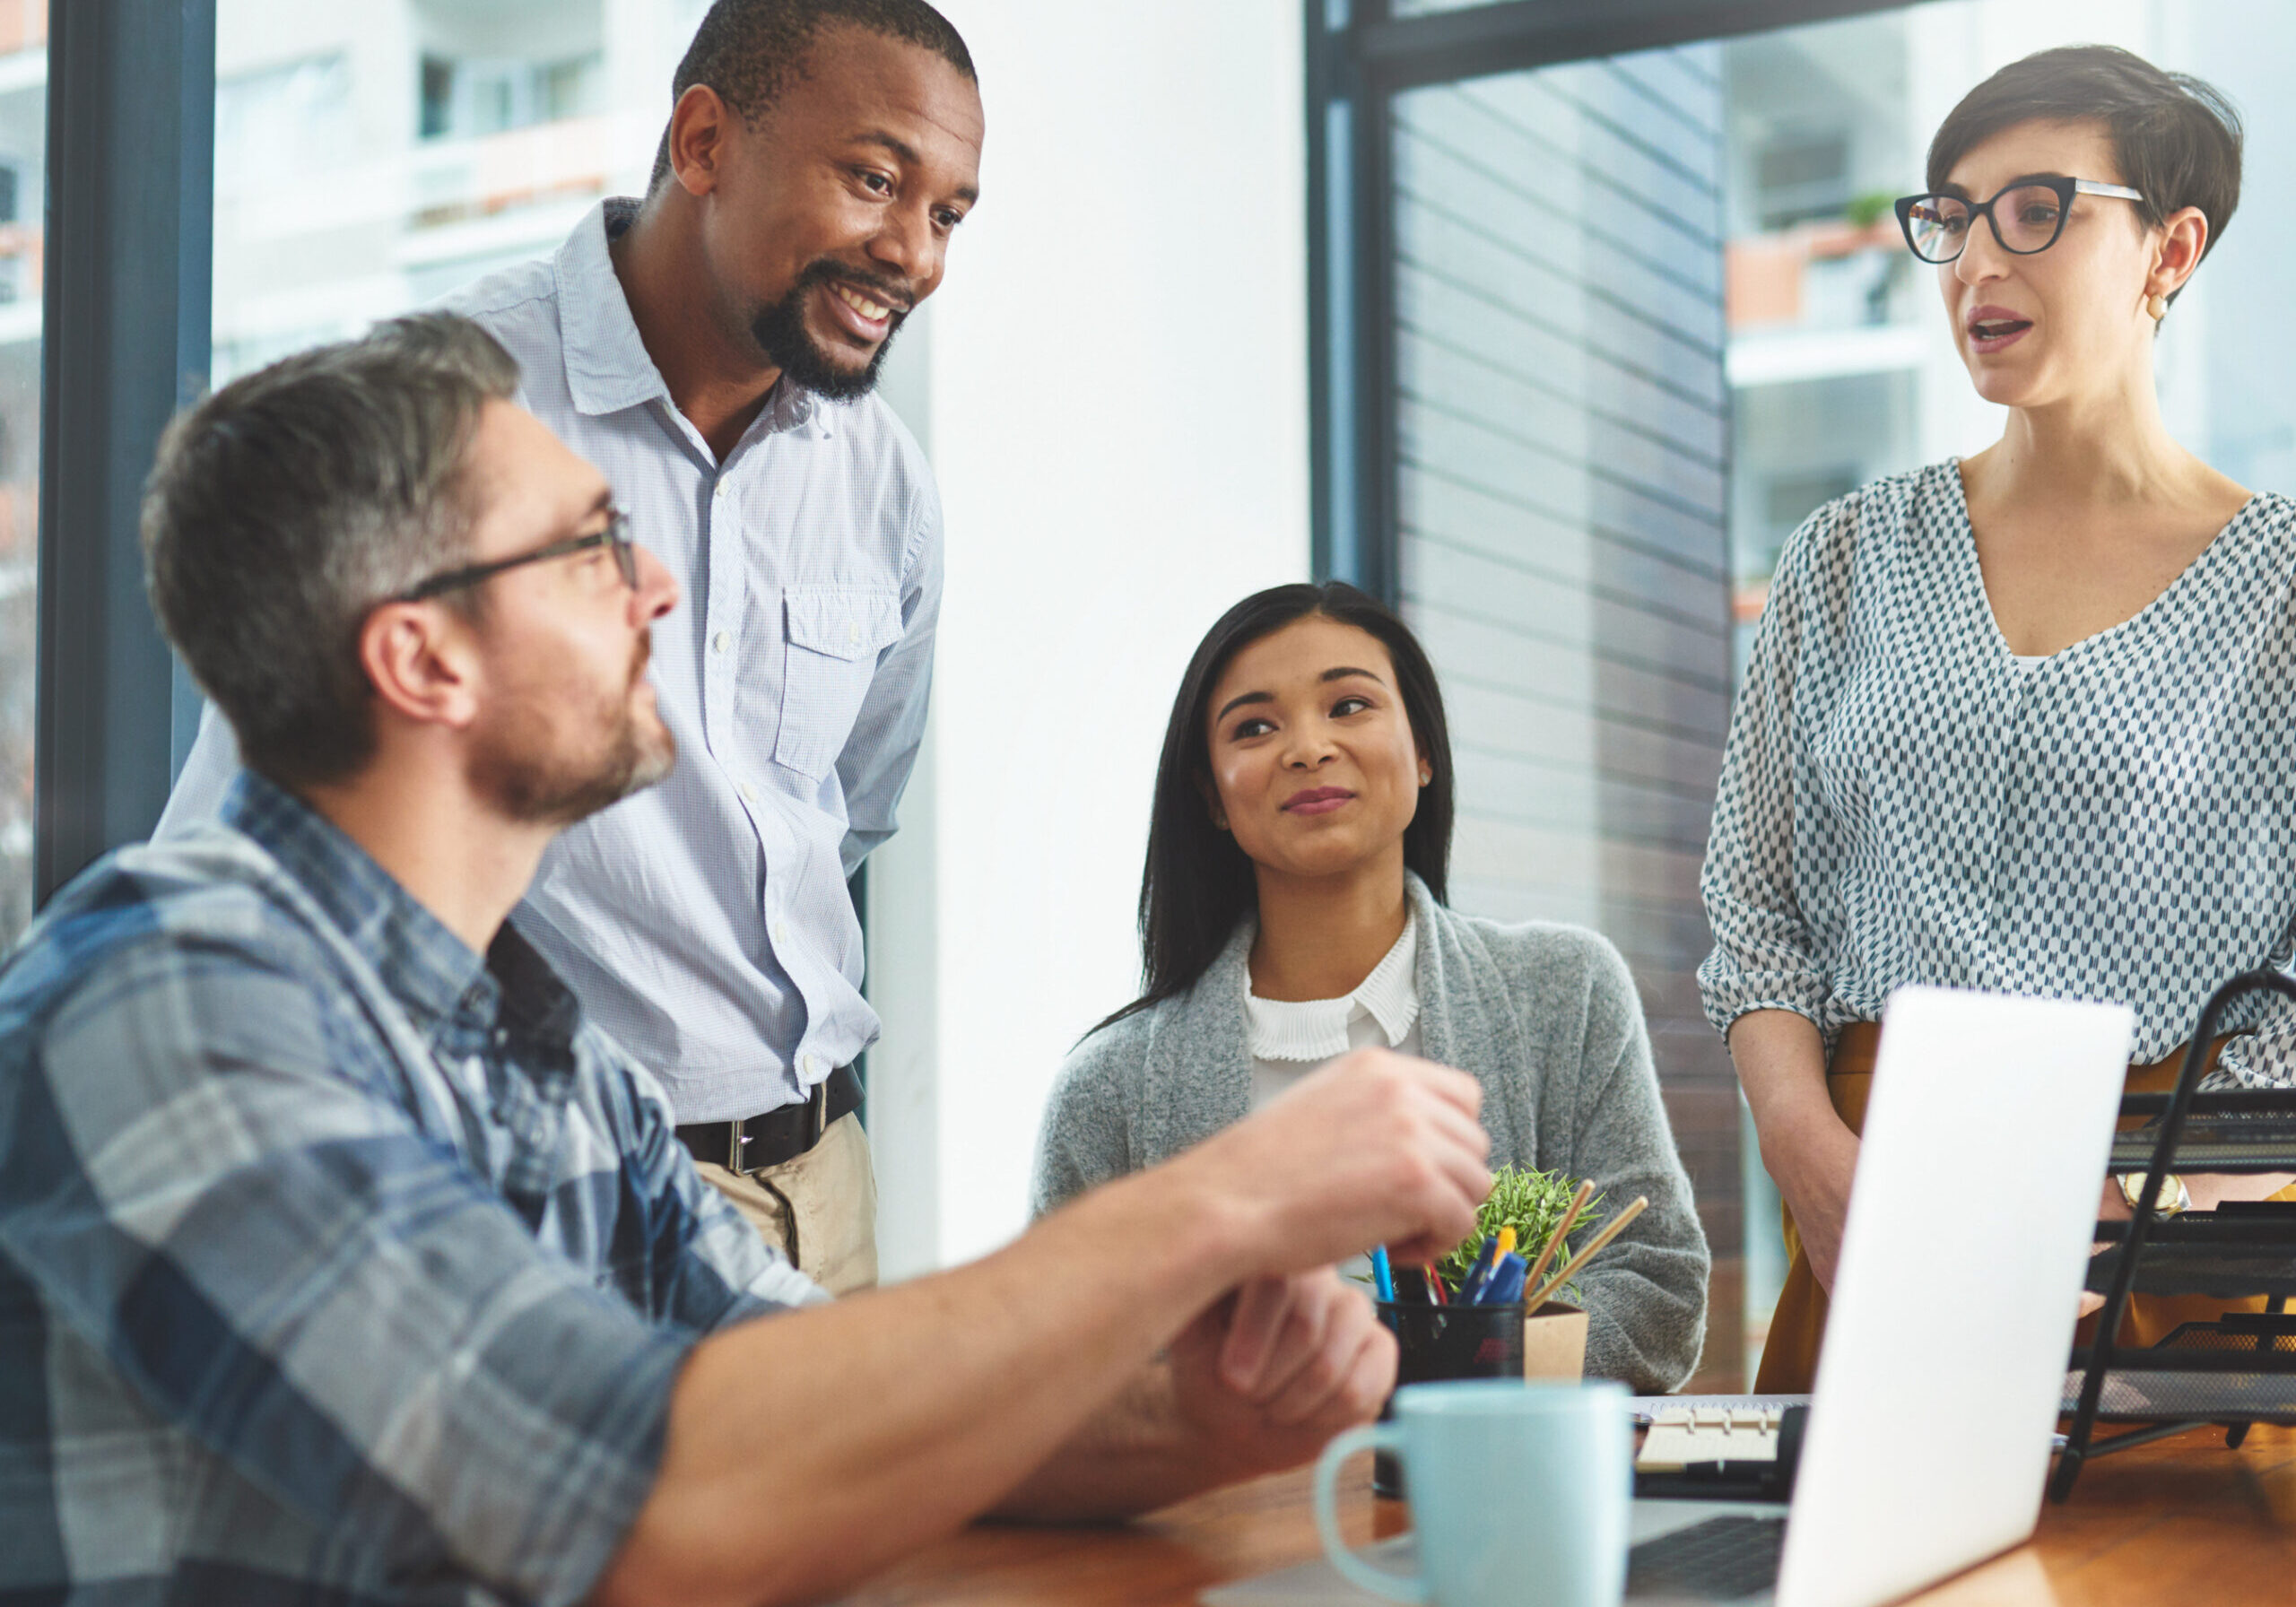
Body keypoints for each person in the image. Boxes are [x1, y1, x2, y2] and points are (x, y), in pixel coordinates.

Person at [0, 317, 1494, 1607]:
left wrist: (1208, 1416)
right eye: (592, 545)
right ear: (423, 661)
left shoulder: (549, 1049)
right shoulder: (169, 998)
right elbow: (651, 1498)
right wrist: (1226, 1197)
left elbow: (830, 1400)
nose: (654, 585)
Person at [157, 0, 976, 1294]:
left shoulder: (888, 486)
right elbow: (258, 830)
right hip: (545, 1194)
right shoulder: (456, 408)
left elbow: (847, 813)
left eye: (946, 215)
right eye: (875, 180)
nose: (914, 255)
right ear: (703, 141)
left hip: (827, 1182)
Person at [1700, 45, 2296, 1394]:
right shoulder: (1843, 557)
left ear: (2169, 248)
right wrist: (1809, 1158)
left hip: (2172, 1254)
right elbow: (1757, 919)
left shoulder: (2286, 590)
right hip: (1872, 1207)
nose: (1977, 260)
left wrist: (2162, 1196)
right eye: (1951, 219)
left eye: (2035, 210)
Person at [1032, 582, 1709, 1392]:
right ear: (1212, 795)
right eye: (1254, 727)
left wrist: (1433, 1378)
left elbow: (1658, 1291)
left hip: (1485, 1503)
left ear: (1423, 752)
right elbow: (1058, 1365)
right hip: (1223, 1515)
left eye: (1348, 706)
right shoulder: (1106, 1089)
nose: (1308, 748)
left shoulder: (1566, 992)